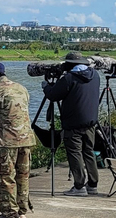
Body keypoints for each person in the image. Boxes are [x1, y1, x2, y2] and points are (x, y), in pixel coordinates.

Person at [41, 51, 101, 196]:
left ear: (70, 64)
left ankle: (79, 186)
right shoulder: (95, 75)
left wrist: (46, 86)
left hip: (73, 124)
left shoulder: (69, 78)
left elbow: (53, 95)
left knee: (75, 153)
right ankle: (92, 184)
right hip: (91, 122)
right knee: (88, 152)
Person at [0, 62, 35, 218]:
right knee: (23, 176)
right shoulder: (21, 88)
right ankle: (22, 210)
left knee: (5, 177)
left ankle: (9, 213)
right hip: (26, 138)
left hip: (6, 141)